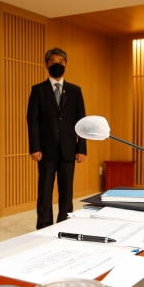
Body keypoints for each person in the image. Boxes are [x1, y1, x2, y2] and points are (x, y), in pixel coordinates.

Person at [26, 47, 87, 229]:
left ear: (66, 64)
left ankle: (65, 225)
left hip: (69, 149)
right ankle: (44, 226)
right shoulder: (38, 90)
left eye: (61, 62)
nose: (57, 65)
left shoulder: (75, 91)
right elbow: (32, 121)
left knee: (66, 191)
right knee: (44, 191)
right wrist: (34, 147)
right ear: (46, 65)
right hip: (45, 150)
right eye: (53, 62)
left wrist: (81, 148)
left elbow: (81, 121)